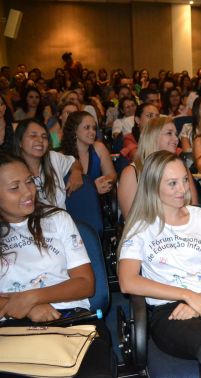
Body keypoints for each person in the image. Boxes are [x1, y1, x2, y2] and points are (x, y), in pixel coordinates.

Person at [118, 151, 201, 378]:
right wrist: (187, 296)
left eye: (185, 180)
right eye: (172, 183)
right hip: (168, 311)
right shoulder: (140, 226)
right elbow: (127, 282)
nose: (183, 189)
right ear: (153, 186)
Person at [0, 151, 116, 377]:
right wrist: (29, 308)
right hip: (12, 327)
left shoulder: (57, 219)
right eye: (14, 188)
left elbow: (85, 284)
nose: (28, 192)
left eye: (29, 182)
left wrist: (32, 297)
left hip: (69, 319)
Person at [118, 117, 197, 220]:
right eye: (169, 133)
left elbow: (193, 208)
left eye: (176, 134)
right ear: (153, 137)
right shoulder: (131, 173)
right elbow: (131, 218)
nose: (176, 139)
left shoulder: (181, 169)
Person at [13, 118, 83, 209]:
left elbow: (74, 162)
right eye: (33, 135)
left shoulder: (53, 157)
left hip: (62, 217)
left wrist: (76, 172)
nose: (40, 140)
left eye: (44, 137)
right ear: (19, 142)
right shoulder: (11, 170)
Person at [61, 111, 116, 194]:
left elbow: (112, 175)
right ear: (74, 130)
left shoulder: (99, 148)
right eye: (87, 127)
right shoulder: (62, 155)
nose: (92, 132)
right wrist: (92, 187)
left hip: (98, 199)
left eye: (94, 128)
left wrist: (104, 182)